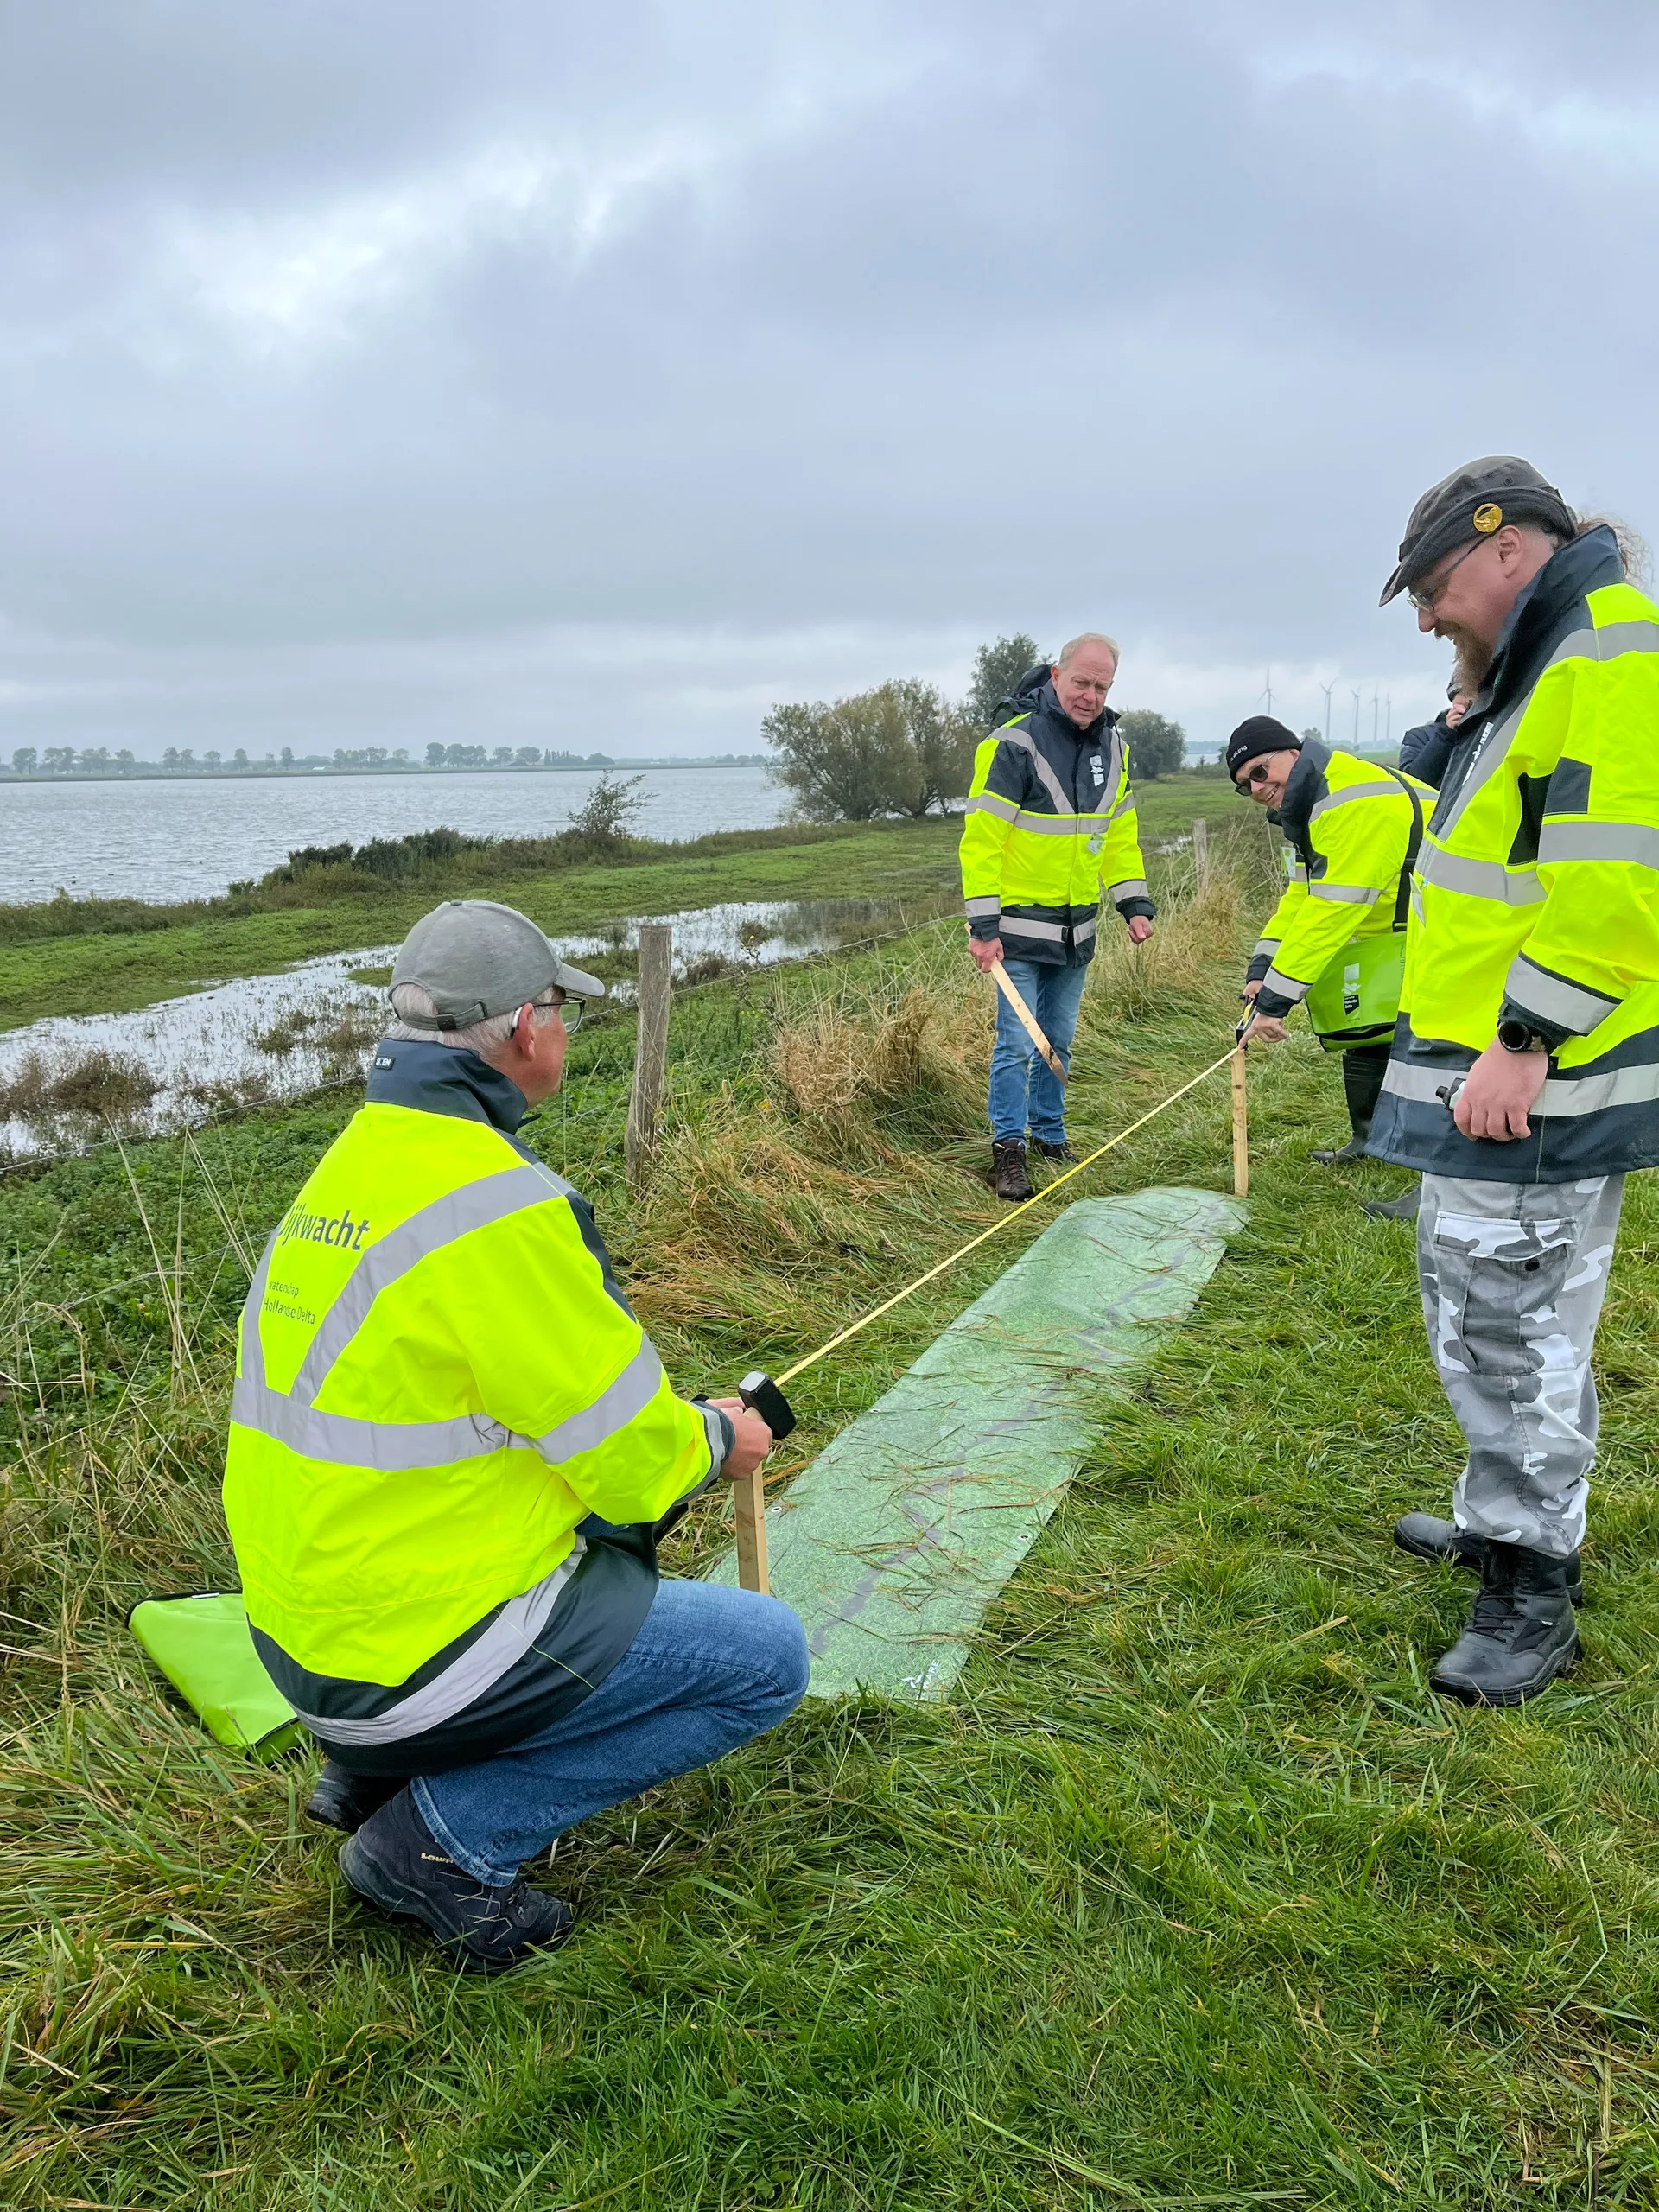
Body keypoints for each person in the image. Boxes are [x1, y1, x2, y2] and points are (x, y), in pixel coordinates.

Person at [223, 899, 809, 1973]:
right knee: (767, 1662)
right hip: (407, 1660)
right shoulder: (501, 1206)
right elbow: (633, 1465)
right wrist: (725, 1439)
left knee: (586, 1549)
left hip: (298, 1647)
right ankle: (442, 1843)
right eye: (562, 1015)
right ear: (526, 1027)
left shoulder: (348, 1171)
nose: (566, 1037)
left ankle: (372, 1774)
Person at [1369, 455, 1659, 1706]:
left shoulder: (1605, 647)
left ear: (1506, 550)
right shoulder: (1537, 661)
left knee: (1517, 1322)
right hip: (1496, 1065)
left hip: (1539, 1074)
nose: (1428, 615)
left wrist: (1528, 1035)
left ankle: (1531, 1586)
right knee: (1479, 1304)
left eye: (1433, 589)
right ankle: (1503, 1517)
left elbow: (1619, 868)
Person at [959, 632, 1155, 1201]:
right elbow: (982, 841)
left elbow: (1119, 835)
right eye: (1081, 682)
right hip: (1016, 931)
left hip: (1078, 931)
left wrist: (1133, 902)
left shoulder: (1115, 750)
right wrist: (983, 926)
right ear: (1055, 676)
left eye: (1101, 686)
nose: (1090, 695)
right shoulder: (1011, 745)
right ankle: (1008, 1152)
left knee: (1059, 1040)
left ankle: (1050, 1135)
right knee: (1016, 1045)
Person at [1228, 715, 1430, 1163]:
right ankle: (1369, 1142)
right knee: (1361, 1031)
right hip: (1389, 936)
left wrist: (1277, 1001)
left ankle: (1428, 1161)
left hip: (1442, 927)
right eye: (1246, 785)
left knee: (1426, 1047)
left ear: (1294, 755)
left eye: (1260, 772)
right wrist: (1262, 971)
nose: (1257, 788)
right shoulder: (1308, 808)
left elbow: (1333, 911)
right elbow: (1301, 898)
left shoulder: (1347, 801)